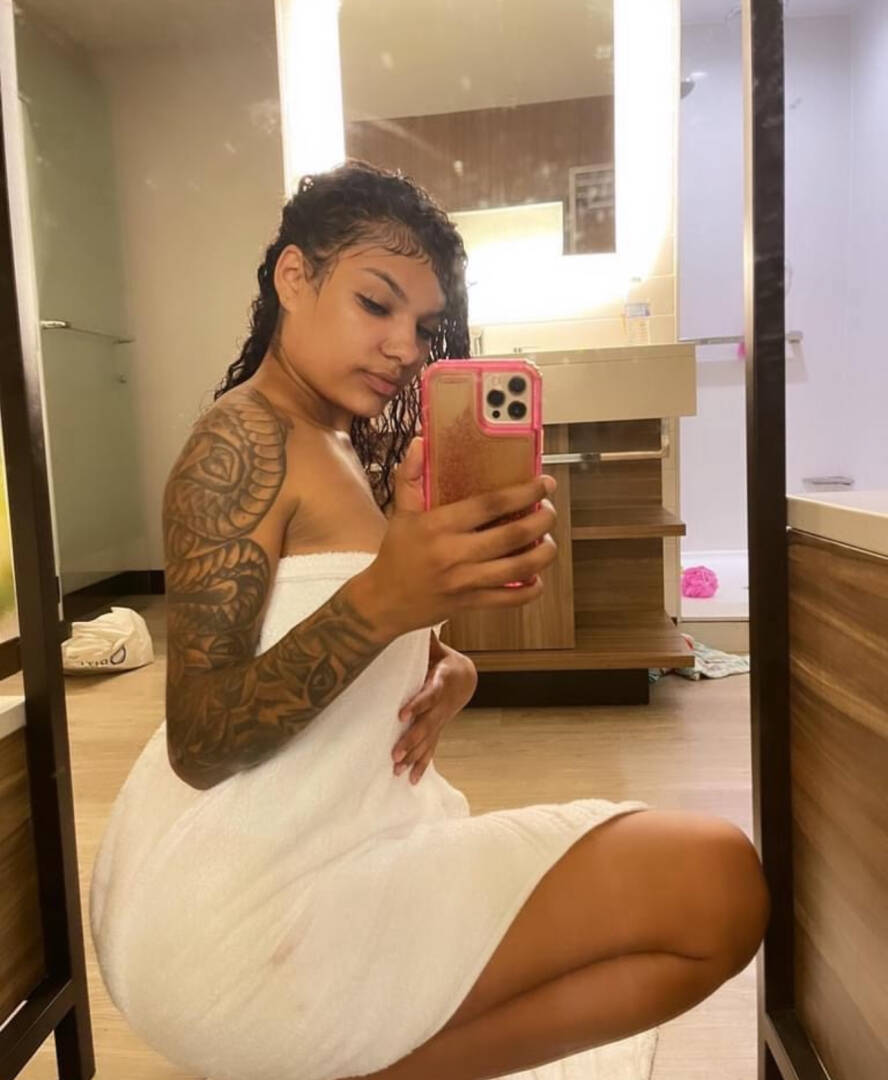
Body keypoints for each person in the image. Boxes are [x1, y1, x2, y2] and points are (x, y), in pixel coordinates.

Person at [89, 160, 769, 1080]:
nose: (405, 346)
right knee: (713, 883)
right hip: (239, 909)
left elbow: (312, 623)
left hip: (319, 856)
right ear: (294, 277)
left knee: (716, 889)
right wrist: (389, 598)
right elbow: (201, 739)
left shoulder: (332, 441)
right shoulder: (241, 441)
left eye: (423, 325)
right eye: (376, 304)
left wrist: (447, 664)